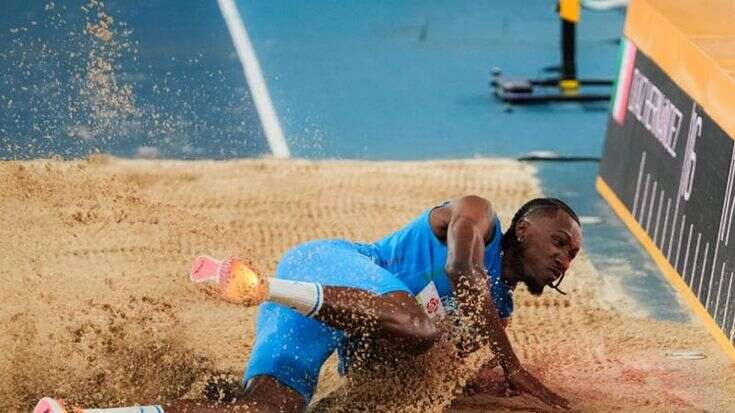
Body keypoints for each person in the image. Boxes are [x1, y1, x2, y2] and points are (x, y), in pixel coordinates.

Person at [37, 195, 581, 413]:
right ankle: (253, 284)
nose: (563, 260)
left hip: (338, 324)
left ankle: (83, 412)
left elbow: (385, 366)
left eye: (572, 256)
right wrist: (514, 368)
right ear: (525, 229)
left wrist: (470, 384)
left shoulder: (495, 314)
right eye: (559, 243)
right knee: (418, 326)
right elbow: (463, 273)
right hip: (320, 269)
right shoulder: (478, 216)